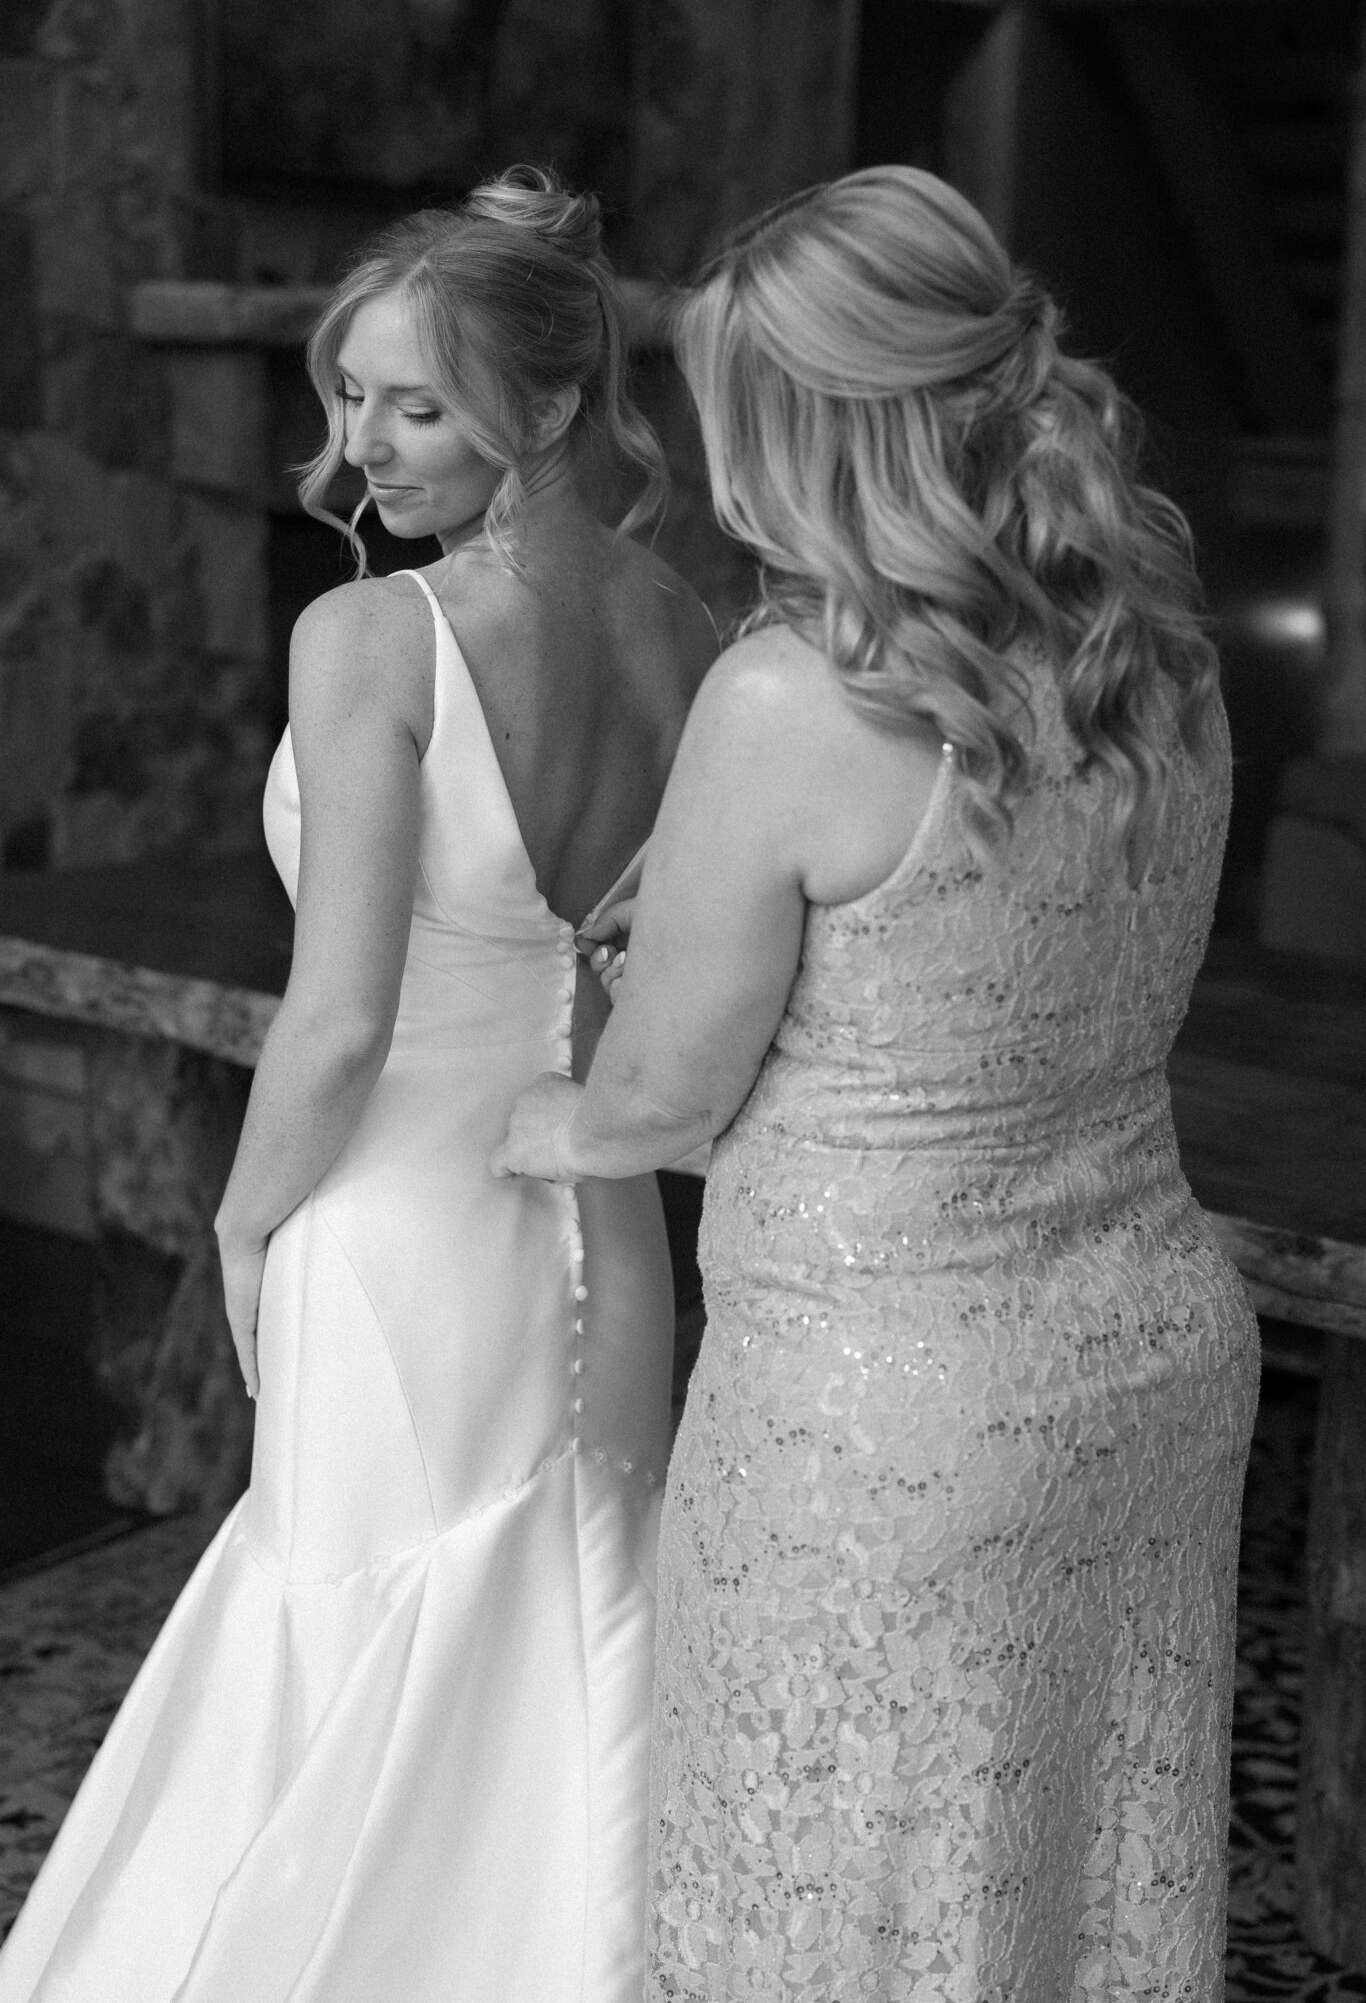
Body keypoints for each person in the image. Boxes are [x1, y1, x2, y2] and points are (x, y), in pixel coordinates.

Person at [497, 165, 1259, 2000]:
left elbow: (662, 1105)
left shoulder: (789, 697)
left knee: (823, 1902)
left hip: (884, 1426)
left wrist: (534, 1119)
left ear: (806, 426)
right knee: (1071, 1903)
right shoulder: (1157, 653)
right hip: (1148, 1364)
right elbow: (1013, 973)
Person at [0, 167, 715, 2003]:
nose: (362, 443)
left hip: (392, 1219)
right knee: (566, 1634)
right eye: (348, 392)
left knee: (351, 1628)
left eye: (414, 400)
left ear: (547, 405)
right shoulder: (686, 632)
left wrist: (245, 1229)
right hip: (603, 1226)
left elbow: (335, 1023)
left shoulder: (371, 638)